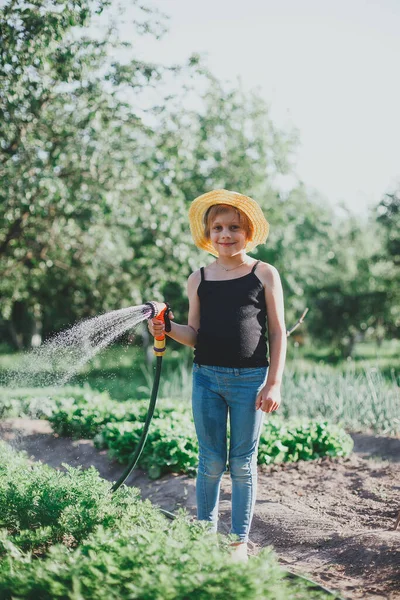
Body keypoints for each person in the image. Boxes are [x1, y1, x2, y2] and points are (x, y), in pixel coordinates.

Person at [148, 189, 286, 562]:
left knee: (242, 463)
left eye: (234, 228)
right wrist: (166, 328)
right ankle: (203, 535)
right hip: (206, 377)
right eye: (218, 227)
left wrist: (274, 381)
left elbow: (277, 332)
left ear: (249, 232)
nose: (225, 234)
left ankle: (238, 541)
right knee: (210, 460)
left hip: (250, 381)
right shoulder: (199, 279)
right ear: (208, 233)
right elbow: (194, 335)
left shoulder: (264, 273)